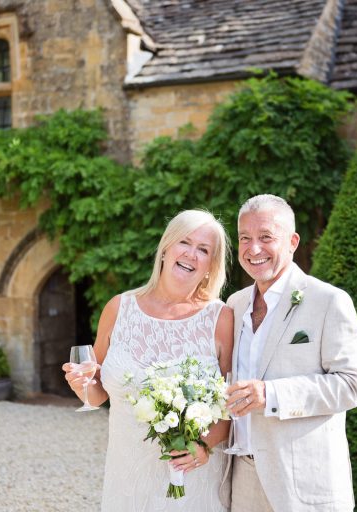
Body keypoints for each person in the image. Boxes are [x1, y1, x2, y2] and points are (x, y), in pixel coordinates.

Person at [63, 209, 234, 511]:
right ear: (166, 249)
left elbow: (232, 407)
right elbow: (98, 391)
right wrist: (82, 384)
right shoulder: (119, 308)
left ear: (210, 266)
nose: (191, 254)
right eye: (185, 242)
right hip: (126, 478)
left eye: (203, 250)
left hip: (192, 479)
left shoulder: (220, 319)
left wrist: (204, 445)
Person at [225, 194, 357, 512]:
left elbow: (353, 384)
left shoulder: (328, 301)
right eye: (245, 238)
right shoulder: (234, 305)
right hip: (243, 480)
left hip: (304, 486)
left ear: (292, 241)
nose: (253, 249)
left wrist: (272, 394)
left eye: (266, 237)